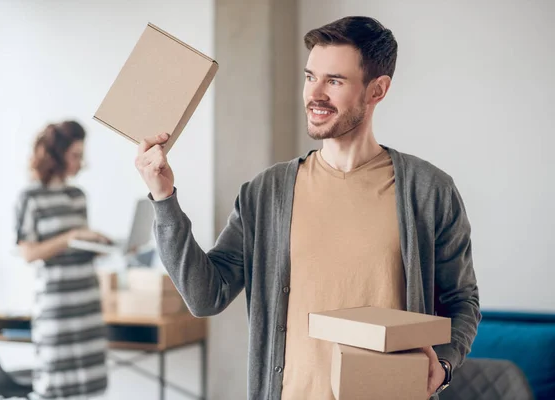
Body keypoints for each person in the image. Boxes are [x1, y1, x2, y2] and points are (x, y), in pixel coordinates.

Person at [134, 16, 480, 400]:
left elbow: (461, 301)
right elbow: (205, 296)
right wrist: (164, 198)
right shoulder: (266, 193)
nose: (315, 94)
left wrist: (443, 366)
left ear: (377, 90)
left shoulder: (429, 191)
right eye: (310, 76)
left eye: (334, 81)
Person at [15, 121, 110, 399]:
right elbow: (29, 253)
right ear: (56, 156)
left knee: (89, 387)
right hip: (57, 308)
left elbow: (76, 247)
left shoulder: (77, 196)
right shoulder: (30, 197)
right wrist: (71, 237)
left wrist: (101, 245)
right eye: (75, 155)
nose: (81, 163)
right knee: (56, 387)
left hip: (87, 303)